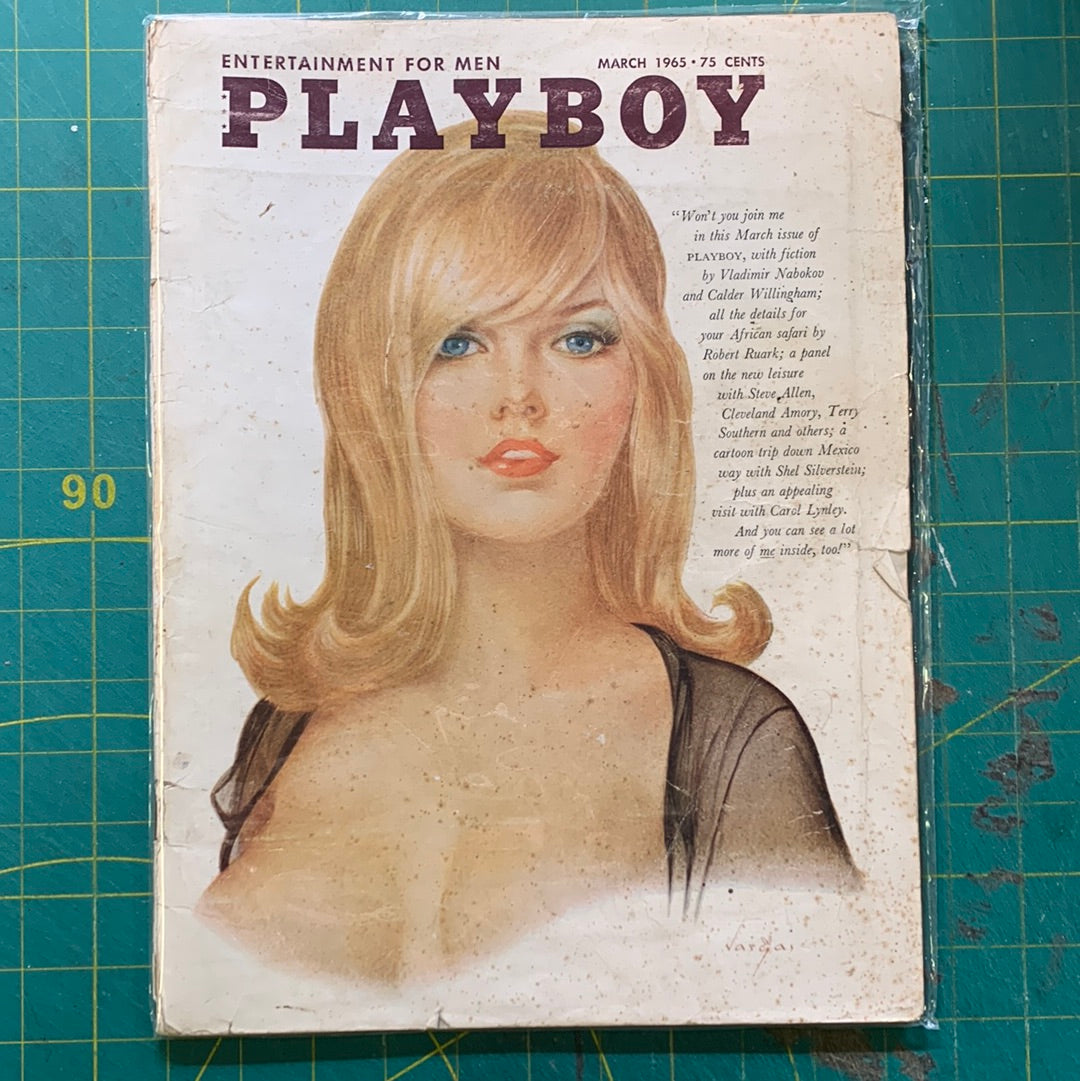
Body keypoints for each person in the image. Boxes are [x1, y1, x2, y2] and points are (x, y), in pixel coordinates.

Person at [199, 113, 857, 983]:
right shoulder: (290, 722)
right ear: (369, 386)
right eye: (456, 342)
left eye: (579, 339)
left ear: (644, 378)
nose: (519, 395)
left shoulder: (733, 745)